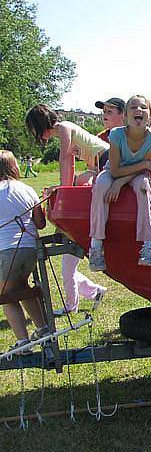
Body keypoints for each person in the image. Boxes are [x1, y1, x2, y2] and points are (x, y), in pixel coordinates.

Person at [25, 104, 108, 314]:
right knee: (79, 183)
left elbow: (66, 159)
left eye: (33, 129)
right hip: (97, 165)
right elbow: (70, 163)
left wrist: (63, 189)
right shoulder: (63, 130)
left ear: (40, 124)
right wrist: (64, 187)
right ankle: (91, 292)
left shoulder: (63, 128)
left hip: (106, 160)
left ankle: (73, 304)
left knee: (80, 187)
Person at [88, 96, 151, 271]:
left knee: (143, 185)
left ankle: (149, 244)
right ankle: (96, 244)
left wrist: (120, 184)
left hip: (139, 173)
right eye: (133, 107)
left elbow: (143, 168)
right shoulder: (116, 134)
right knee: (102, 184)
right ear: (125, 115)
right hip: (115, 170)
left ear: (150, 116)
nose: (138, 110)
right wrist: (144, 165)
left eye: (143, 107)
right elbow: (115, 170)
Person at [0, 151, 49, 352]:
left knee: (5, 295)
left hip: (6, 250)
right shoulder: (27, 188)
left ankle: (23, 342)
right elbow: (40, 223)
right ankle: (43, 329)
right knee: (22, 286)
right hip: (30, 249)